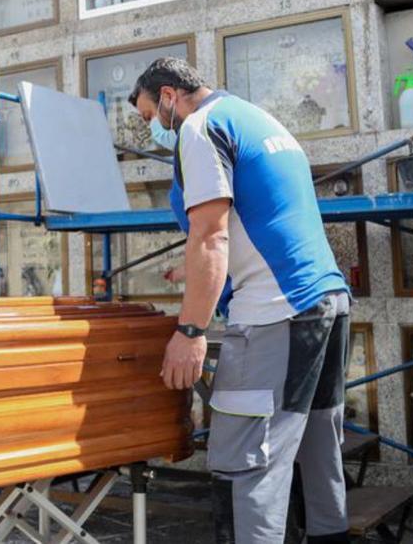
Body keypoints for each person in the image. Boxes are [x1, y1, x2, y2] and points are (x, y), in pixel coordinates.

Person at [129, 57, 351, 544]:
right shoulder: (256, 117)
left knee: (245, 464)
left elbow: (210, 236)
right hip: (326, 303)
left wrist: (191, 332)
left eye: (149, 118)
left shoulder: (199, 127)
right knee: (318, 454)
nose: (153, 131)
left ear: (169, 96)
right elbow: (260, 221)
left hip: (277, 310)